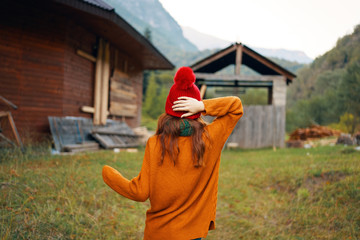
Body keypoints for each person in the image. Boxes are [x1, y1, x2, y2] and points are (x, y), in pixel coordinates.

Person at [102, 66, 243, 240]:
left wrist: (109, 175)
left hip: (158, 233)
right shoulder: (211, 138)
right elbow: (235, 106)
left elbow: (139, 192)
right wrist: (202, 105)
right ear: (195, 110)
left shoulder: (154, 144)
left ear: (169, 108)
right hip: (193, 232)